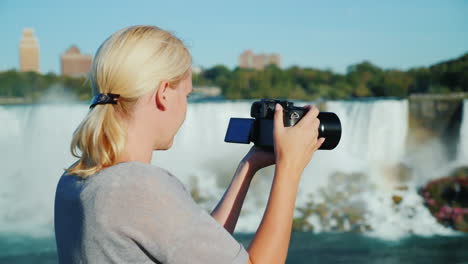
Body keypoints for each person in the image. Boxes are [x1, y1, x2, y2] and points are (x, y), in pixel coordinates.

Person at [54, 25, 325, 264]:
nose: (185, 108)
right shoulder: (136, 184)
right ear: (163, 94)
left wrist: (249, 166)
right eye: (186, 95)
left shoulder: (75, 180)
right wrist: (290, 168)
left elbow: (198, 250)